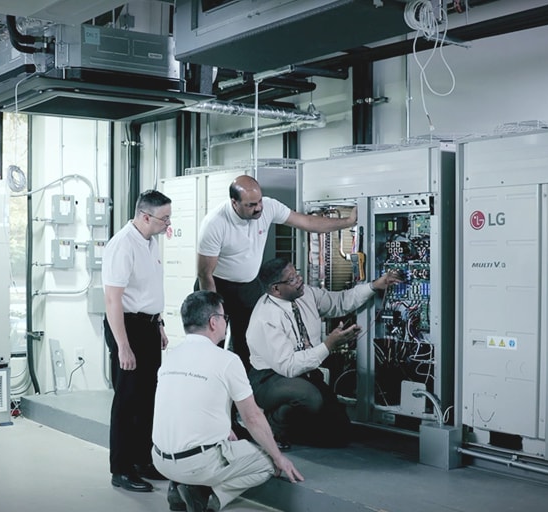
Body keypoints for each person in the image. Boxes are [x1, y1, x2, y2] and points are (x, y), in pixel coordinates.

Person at [152, 290, 304, 512]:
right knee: (267, 462)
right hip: (196, 463)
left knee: (223, 444)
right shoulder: (227, 360)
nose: (225, 323)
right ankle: (208, 496)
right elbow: (252, 417)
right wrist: (279, 457)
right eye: (224, 318)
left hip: (160, 460)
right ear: (213, 322)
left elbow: (189, 406)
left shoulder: (171, 356)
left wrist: (222, 430)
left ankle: (178, 487)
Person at [197, 174, 357, 371]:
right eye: (251, 205)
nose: (258, 208)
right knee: (213, 344)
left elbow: (307, 222)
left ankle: (247, 395)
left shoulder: (268, 207)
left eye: (259, 201)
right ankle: (211, 390)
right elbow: (205, 274)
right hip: (217, 286)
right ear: (234, 203)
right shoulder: (214, 224)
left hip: (248, 285)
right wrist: (214, 311)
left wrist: (348, 222)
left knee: (247, 347)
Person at [246, 257, 403, 449]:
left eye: (297, 273)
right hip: (269, 379)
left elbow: (340, 301)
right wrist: (329, 344)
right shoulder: (266, 319)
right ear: (275, 289)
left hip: (305, 374)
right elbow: (289, 367)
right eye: (292, 279)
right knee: (309, 397)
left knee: (339, 433)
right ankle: (273, 424)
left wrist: (374, 286)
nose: (300, 280)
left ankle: (293, 426)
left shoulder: (306, 295)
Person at [102, 189, 172, 493]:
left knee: (148, 399)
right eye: (164, 217)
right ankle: (121, 468)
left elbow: (149, 290)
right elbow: (112, 300)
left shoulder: (151, 241)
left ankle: (143, 460)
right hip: (126, 328)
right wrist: (123, 346)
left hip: (148, 327)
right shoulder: (122, 245)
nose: (168, 222)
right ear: (145, 216)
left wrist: (159, 325)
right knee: (127, 401)